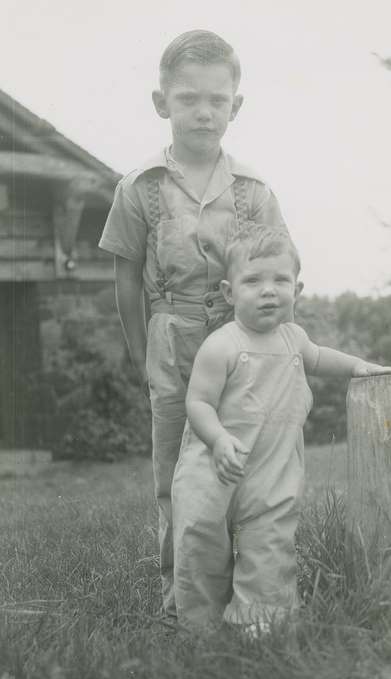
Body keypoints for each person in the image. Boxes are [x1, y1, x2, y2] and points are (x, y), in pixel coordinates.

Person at [98, 30, 290, 621]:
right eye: (187, 99)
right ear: (162, 103)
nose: (203, 111)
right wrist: (140, 354)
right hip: (171, 339)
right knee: (176, 475)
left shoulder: (254, 191)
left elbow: (276, 275)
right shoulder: (141, 187)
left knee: (242, 463)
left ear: (236, 106)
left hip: (240, 346)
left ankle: (246, 595)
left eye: (216, 99)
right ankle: (181, 603)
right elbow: (126, 278)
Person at [171, 227, 391, 633]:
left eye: (280, 280)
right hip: (214, 470)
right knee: (202, 548)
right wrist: (218, 439)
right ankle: (200, 632)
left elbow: (321, 358)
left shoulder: (294, 339)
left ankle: (260, 626)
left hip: (272, 476)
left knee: (269, 550)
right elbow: (198, 402)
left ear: (298, 289)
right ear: (228, 292)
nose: (268, 290)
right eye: (253, 280)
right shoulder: (221, 346)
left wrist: (357, 365)